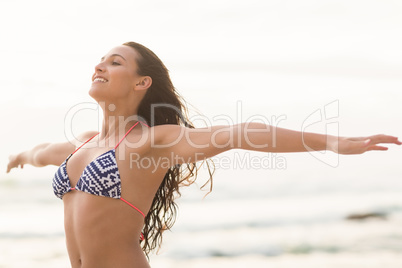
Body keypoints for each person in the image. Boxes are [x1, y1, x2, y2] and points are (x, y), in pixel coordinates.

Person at [6, 41, 401, 268]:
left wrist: (335, 142)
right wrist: (18, 157)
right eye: (101, 59)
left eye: (115, 61)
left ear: (142, 82)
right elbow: (42, 152)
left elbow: (241, 133)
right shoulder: (83, 143)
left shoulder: (150, 141)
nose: (100, 65)